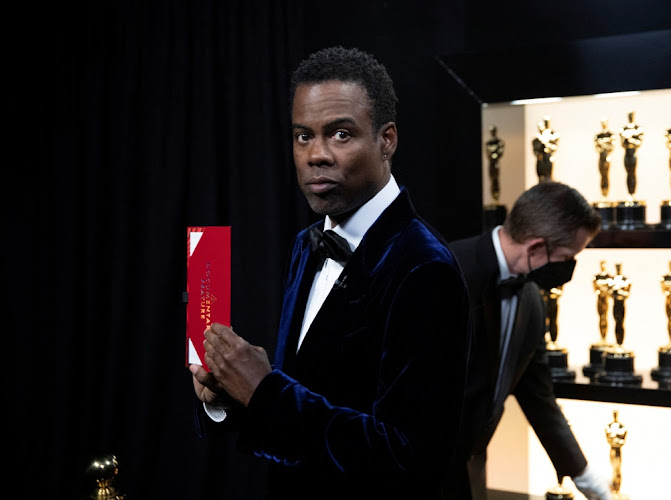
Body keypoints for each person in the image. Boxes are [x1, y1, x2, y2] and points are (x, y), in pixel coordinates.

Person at [188, 46, 472, 498]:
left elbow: (411, 457)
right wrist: (232, 398)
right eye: (303, 136)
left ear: (387, 140)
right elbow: (308, 406)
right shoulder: (306, 244)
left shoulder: (425, 265)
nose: (316, 155)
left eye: (340, 134)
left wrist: (264, 391)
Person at [449, 181, 611, 500]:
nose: (569, 268)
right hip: (418, 471)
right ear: (536, 248)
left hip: (473, 465)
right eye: (567, 257)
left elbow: (537, 391)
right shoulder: (444, 269)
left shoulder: (532, 300)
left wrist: (583, 474)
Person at [619, 111, 644, 199]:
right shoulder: (624, 129)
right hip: (627, 153)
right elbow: (622, 142)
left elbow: (638, 142)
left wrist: (630, 139)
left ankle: (632, 193)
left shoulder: (638, 129)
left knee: (632, 173)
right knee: (628, 173)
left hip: (633, 153)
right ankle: (630, 194)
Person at [532, 116, 559, 183]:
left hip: (548, 157)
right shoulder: (538, 138)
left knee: (548, 175)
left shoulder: (552, 134)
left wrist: (548, 146)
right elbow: (535, 149)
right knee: (541, 175)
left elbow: (554, 146)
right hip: (541, 158)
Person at [594, 118, 615, 199]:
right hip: (601, 157)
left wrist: (602, 144)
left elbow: (611, 147)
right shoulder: (598, 136)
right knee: (602, 176)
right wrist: (604, 144)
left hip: (607, 157)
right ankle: (603, 195)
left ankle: (606, 195)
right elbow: (597, 147)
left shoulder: (611, 135)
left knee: (606, 175)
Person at [486, 125, 505, 203]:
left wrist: (494, 155)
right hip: (491, 163)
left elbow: (500, 152)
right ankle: (494, 198)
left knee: (496, 180)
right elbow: (488, 153)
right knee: (492, 180)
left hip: (496, 163)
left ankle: (496, 198)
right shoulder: (488, 143)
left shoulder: (499, 142)